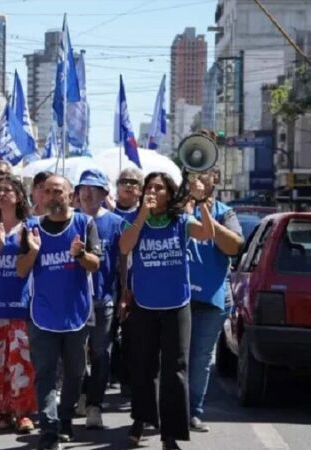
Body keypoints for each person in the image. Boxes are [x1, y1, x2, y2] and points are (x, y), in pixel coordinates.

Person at [119, 172, 214, 450]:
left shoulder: (182, 221)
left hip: (176, 305)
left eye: (159, 188)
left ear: (170, 194)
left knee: (176, 370)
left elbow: (207, 233)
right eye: (149, 188)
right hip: (145, 305)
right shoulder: (134, 221)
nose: (153, 192)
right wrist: (142, 216)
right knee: (143, 365)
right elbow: (125, 248)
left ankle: (170, 434)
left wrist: (202, 202)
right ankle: (141, 419)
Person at [16, 175, 101, 450]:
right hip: (42, 315)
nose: (53, 196)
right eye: (48, 191)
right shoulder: (31, 228)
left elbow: (95, 265)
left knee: (76, 373)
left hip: (77, 314)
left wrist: (79, 255)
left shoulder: (85, 223)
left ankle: (65, 419)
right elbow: (20, 270)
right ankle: (49, 430)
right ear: (40, 196)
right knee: (45, 374)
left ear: (70, 195)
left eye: (59, 191)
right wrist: (33, 251)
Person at [186, 169, 243, 433]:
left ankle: (193, 411)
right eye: (192, 172)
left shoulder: (224, 212)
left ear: (215, 179)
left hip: (212, 298)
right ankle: (171, 408)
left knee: (199, 357)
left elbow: (233, 246)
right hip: (178, 296)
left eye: (204, 173)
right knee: (174, 357)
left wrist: (203, 208)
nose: (197, 177)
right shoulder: (177, 207)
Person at [0, 176, 36, 434]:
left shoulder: (30, 226)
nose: (2, 194)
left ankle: (23, 412)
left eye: (8, 190)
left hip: (21, 307)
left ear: (19, 196)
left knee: (21, 361)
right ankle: (2, 411)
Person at [75, 169, 126, 430]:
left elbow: (123, 263)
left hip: (104, 300)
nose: (86, 193)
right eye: (82, 188)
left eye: (93, 188)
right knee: (74, 356)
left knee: (101, 355)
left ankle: (95, 405)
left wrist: (124, 295)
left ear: (104, 194)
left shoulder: (116, 223)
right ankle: (82, 393)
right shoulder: (70, 221)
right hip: (73, 302)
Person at [111, 166, 144, 396]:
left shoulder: (143, 215)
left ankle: (129, 380)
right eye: (125, 181)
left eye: (134, 182)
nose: (129, 185)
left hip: (137, 283)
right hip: (108, 281)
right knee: (107, 337)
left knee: (133, 336)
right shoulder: (106, 212)